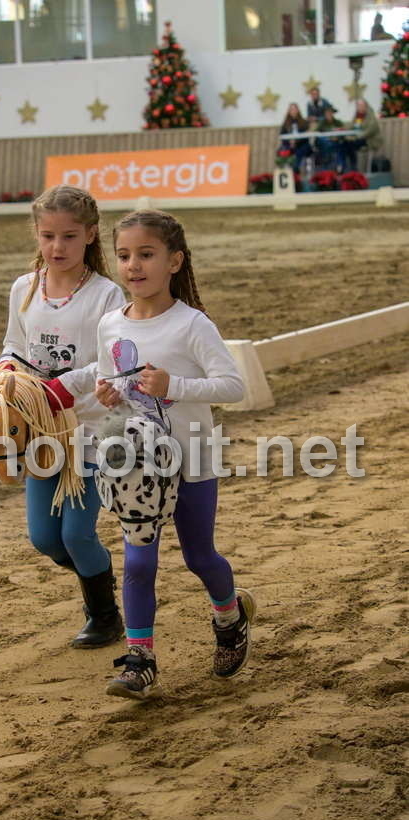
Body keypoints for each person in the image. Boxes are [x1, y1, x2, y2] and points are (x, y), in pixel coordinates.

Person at [95, 210, 255, 701]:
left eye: (146, 254)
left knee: (199, 556)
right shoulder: (109, 325)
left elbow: (233, 386)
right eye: (124, 256)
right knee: (138, 563)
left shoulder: (192, 324)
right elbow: (113, 388)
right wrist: (108, 396)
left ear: (174, 261)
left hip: (193, 462)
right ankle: (139, 660)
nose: (133, 265)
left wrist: (174, 385)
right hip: (138, 469)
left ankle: (229, 619)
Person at [0, 185, 126, 649]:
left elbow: (113, 362)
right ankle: (99, 580)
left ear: (90, 235)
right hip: (42, 433)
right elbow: (13, 345)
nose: (57, 247)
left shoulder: (106, 295)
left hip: (93, 430)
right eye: (48, 236)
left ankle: (105, 616)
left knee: (77, 534)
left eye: (68, 236)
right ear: (37, 234)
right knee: (46, 540)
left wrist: (63, 387)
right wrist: (6, 370)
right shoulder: (24, 289)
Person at [343, 99, 384, 171]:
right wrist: (343, 127)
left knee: (351, 144)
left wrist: (357, 137)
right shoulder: (358, 116)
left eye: (361, 105)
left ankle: (353, 167)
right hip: (359, 139)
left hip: (370, 140)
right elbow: (352, 125)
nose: (359, 107)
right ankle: (349, 167)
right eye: (358, 106)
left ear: (366, 106)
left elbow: (370, 130)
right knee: (345, 144)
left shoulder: (371, 116)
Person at [278, 103, 313, 173]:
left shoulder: (304, 122)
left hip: (302, 145)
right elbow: (282, 136)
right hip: (289, 145)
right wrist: (290, 142)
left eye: (294, 109)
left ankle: (295, 169)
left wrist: (296, 141)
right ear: (289, 111)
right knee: (281, 150)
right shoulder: (285, 124)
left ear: (298, 110)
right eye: (291, 109)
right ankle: (284, 171)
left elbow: (306, 137)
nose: (293, 111)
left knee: (301, 150)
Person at [315, 105, 346, 171]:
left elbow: (343, 131)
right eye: (327, 113)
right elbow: (317, 132)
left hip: (336, 143)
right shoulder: (322, 123)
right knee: (325, 144)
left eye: (330, 112)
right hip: (324, 144)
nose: (329, 114)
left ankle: (339, 167)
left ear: (333, 113)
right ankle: (328, 167)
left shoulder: (338, 122)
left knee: (342, 147)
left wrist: (338, 133)